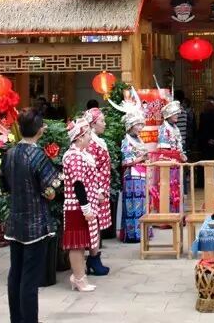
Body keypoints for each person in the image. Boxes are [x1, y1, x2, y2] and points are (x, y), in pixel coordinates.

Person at [0, 108, 61, 323]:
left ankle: (16, 319)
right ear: (40, 130)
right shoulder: (38, 156)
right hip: (36, 224)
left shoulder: (9, 154)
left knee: (15, 273)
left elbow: (4, 186)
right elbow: (51, 189)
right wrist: (50, 192)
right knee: (30, 278)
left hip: (15, 222)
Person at [62, 116, 100, 292]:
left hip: (81, 205)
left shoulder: (81, 155)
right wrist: (86, 208)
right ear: (79, 137)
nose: (90, 137)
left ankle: (78, 276)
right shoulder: (74, 156)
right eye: (88, 134)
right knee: (77, 244)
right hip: (76, 206)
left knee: (81, 243)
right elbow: (78, 184)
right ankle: (79, 278)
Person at [110, 88, 148, 243]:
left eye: (140, 125)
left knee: (142, 203)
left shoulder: (138, 139)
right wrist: (141, 158)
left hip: (141, 174)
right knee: (133, 204)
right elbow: (125, 161)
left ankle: (143, 231)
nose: (140, 128)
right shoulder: (127, 141)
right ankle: (133, 233)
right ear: (130, 126)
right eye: (137, 125)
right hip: (132, 175)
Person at [84, 107, 110, 276]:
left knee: (97, 224)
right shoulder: (91, 143)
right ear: (93, 124)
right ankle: (93, 258)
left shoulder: (96, 141)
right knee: (94, 224)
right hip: (96, 189)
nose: (104, 124)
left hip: (102, 187)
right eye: (102, 121)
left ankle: (94, 257)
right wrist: (99, 190)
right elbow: (92, 169)